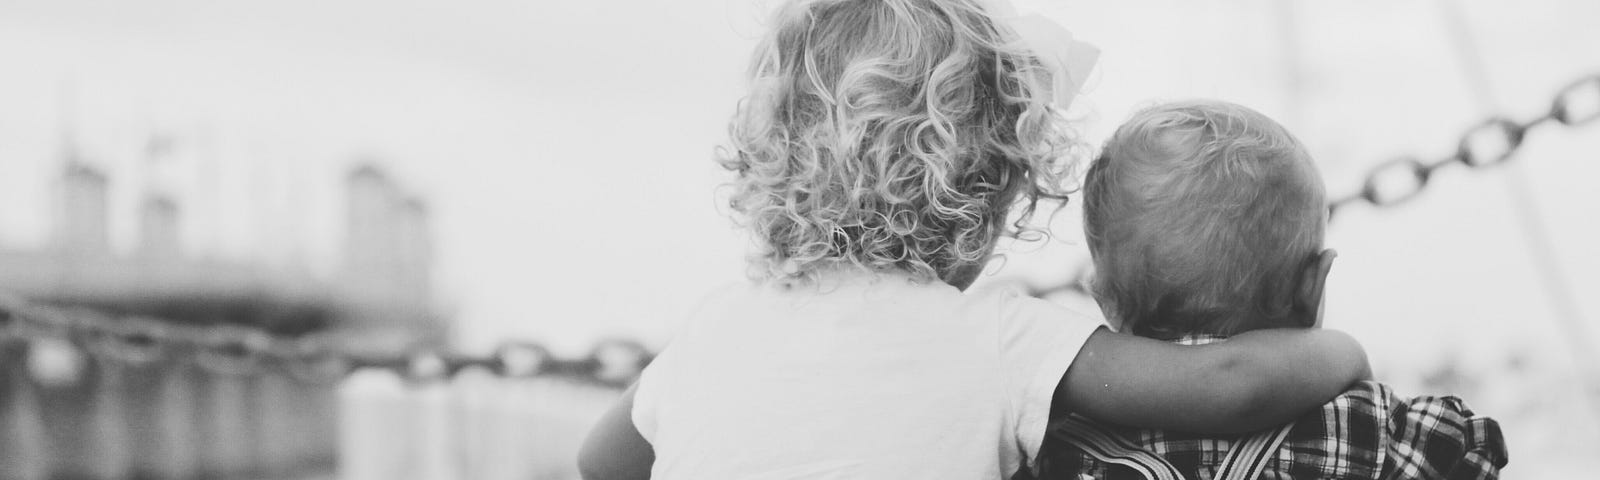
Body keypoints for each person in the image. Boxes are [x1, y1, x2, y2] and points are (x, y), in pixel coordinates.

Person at [578, 1, 1370, 479]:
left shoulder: (714, 329)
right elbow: (1229, 383)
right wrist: (1343, 355)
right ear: (986, 197)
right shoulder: (998, 334)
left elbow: (601, 463)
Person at [1029, 100, 1507, 480]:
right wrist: (1345, 359)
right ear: (1311, 287)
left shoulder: (1057, 448)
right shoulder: (1374, 431)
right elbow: (1473, 453)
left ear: (1104, 297)